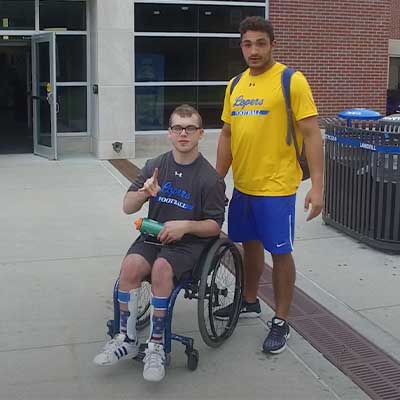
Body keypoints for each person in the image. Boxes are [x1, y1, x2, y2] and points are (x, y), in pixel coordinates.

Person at [215, 16, 324, 355]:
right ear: (241, 46)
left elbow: (311, 133)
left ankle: (281, 318)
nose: (254, 50)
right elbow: (227, 134)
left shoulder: (291, 80)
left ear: (272, 44)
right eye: (247, 44)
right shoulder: (235, 85)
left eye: (261, 43)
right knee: (249, 247)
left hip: (277, 188)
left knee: (280, 252)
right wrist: (217, 180)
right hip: (244, 185)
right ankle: (249, 301)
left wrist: (318, 186)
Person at [93, 105, 225, 381]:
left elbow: (214, 226)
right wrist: (142, 193)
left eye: (190, 128)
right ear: (169, 133)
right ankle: (127, 339)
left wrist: (186, 226)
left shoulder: (209, 178)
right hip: (153, 237)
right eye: (177, 128)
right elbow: (127, 207)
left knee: (162, 269)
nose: (183, 134)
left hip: (188, 245)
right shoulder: (156, 166)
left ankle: (156, 347)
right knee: (130, 266)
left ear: (200, 134)